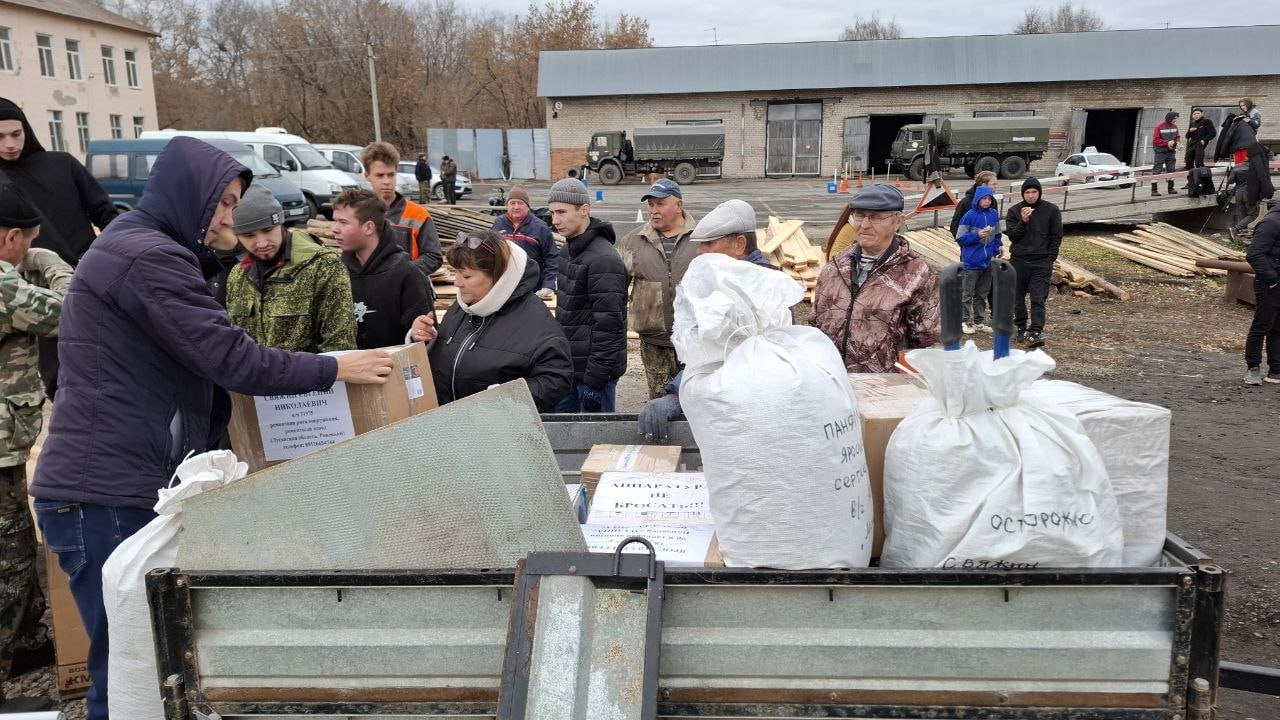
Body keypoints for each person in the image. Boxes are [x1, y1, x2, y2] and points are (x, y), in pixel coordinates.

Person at [28, 137, 394, 720]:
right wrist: (334, 367)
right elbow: (230, 359)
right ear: (187, 194)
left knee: (150, 666)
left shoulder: (145, 249)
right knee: (127, 674)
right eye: (222, 204)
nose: (228, 219)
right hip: (106, 494)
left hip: (120, 483)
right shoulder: (146, 257)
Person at [0, 184, 71, 713]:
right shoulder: (5, 283)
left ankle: (26, 645)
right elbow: (73, 313)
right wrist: (51, 264)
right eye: (27, 242)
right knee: (10, 561)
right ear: (10, 237)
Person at [0, 97, 118, 398]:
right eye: (0, 136)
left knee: (110, 366)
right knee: (59, 382)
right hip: (27, 296)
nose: (10, 143)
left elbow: (106, 214)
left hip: (90, 279)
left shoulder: (62, 164)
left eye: (16, 133)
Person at [637, 199, 776, 441]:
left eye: (708, 244)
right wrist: (677, 393)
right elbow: (704, 350)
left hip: (750, 418)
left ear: (739, 244)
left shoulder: (761, 292)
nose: (700, 253)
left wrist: (677, 397)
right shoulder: (728, 283)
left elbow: (723, 360)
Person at [419, 230, 572, 411]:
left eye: (466, 276)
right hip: (453, 426)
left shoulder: (535, 320)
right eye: (456, 273)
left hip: (500, 432)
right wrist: (426, 340)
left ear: (497, 276)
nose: (457, 283)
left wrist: (506, 399)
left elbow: (556, 380)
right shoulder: (463, 307)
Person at [811, 184, 940, 372]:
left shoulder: (919, 275)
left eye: (875, 217)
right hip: (832, 386)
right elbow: (815, 324)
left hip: (885, 393)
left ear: (898, 221)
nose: (864, 225)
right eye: (860, 215)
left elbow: (929, 346)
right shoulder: (835, 267)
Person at [224, 184, 356, 352]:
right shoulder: (238, 275)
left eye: (268, 230)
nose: (262, 243)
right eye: (249, 235)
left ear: (281, 223)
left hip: (310, 377)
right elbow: (236, 343)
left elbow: (340, 347)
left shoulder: (323, 266)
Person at [547, 178, 627, 412]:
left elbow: (610, 329)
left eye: (561, 212)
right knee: (565, 439)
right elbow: (566, 315)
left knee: (596, 443)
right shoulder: (567, 251)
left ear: (584, 210)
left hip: (594, 375)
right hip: (569, 369)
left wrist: (595, 381)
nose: (555, 221)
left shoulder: (604, 260)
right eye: (552, 213)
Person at [619, 178, 698, 399]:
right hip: (654, 342)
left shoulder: (703, 240)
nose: (653, 210)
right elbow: (617, 290)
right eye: (650, 205)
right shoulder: (632, 242)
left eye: (660, 204)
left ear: (679, 206)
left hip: (695, 340)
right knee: (660, 401)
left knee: (695, 399)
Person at [332, 188, 435, 350]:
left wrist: (417, 335)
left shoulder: (407, 275)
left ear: (368, 227)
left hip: (391, 371)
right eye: (335, 221)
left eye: (343, 222)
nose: (335, 229)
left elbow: (426, 341)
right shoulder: (335, 273)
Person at [362, 142, 443, 276]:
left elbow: (433, 256)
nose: (387, 181)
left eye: (391, 174)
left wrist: (403, 273)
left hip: (410, 292)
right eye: (380, 175)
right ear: (367, 176)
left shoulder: (418, 214)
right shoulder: (359, 214)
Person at [1004, 176, 1063, 348]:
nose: (1031, 196)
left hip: (1041, 262)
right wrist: (1023, 221)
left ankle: (1035, 330)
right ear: (1023, 194)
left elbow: (1056, 235)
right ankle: (1021, 327)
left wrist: (1050, 258)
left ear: (1039, 192)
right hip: (1019, 261)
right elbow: (1013, 236)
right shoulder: (1015, 211)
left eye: (1034, 192)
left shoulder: (1051, 210)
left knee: (1038, 298)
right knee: (1017, 297)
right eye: (1027, 192)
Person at [491, 184, 558, 297]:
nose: (516, 207)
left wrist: (549, 284)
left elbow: (551, 257)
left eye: (520, 203)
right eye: (512, 203)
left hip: (533, 287)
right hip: (504, 285)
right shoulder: (499, 223)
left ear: (527, 206)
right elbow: (490, 252)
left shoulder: (540, 227)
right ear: (507, 205)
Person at [1217, 112, 1275, 240]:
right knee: (1253, 214)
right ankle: (1236, 229)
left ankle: (1239, 234)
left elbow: (1230, 181)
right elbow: (1263, 180)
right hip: (1250, 194)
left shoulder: (1237, 167)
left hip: (1238, 194)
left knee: (1243, 214)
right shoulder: (1256, 167)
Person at [954, 185, 1003, 334]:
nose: (987, 201)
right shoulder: (969, 215)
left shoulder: (994, 214)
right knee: (967, 294)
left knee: (982, 293)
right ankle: (963, 321)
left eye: (989, 199)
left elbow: (997, 234)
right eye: (984, 199)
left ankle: (978, 322)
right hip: (971, 262)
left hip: (987, 261)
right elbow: (960, 237)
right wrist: (977, 235)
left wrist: (997, 248)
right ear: (978, 199)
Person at [1243, 200, 1280, 386]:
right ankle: (1253, 368)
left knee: (1278, 328)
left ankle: (1276, 370)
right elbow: (1254, 253)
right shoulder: (1272, 222)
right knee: (1262, 325)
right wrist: (1272, 278)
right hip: (1269, 283)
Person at [949, 170, 1000, 238]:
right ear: (984, 185)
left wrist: (997, 245)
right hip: (971, 246)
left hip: (989, 247)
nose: (996, 186)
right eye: (993, 184)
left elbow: (996, 226)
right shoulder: (965, 202)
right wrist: (965, 245)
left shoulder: (992, 201)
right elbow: (955, 227)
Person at [1151, 111, 1179, 196]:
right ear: (1169, 118)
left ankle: (1171, 189)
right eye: (1174, 118)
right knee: (1157, 169)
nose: (1176, 120)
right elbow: (1155, 140)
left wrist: (1177, 143)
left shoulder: (1175, 127)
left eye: (1176, 118)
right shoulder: (1159, 127)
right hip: (1160, 152)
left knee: (1171, 169)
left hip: (1171, 152)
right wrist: (1167, 143)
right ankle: (1154, 190)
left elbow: (1177, 137)